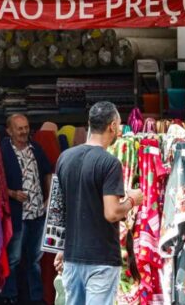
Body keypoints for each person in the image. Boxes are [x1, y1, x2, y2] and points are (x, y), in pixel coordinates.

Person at [53, 101, 143, 305]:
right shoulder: (109, 163)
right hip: (101, 259)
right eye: (118, 125)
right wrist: (132, 200)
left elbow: (57, 210)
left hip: (72, 257)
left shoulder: (64, 158)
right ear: (112, 126)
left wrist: (60, 249)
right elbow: (111, 213)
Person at [0, 114, 53, 305]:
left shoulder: (35, 148)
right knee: (14, 257)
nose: (24, 131)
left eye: (26, 127)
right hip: (17, 214)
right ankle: (10, 296)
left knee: (35, 258)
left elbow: (48, 171)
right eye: (19, 128)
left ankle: (36, 297)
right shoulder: (3, 151)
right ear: (9, 130)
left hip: (37, 213)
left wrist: (48, 197)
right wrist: (12, 193)